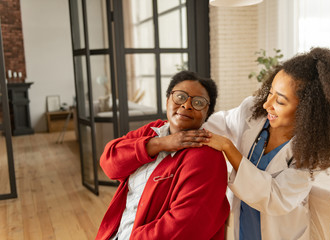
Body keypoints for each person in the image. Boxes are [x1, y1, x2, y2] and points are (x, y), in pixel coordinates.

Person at [199, 47, 330, 239]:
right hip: (241, 228)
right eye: (270, 93)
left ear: (307, 110)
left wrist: (228, 148)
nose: (267, 104)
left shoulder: (314, 153)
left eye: (281, 101)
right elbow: (216, 126)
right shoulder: (253, 110)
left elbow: (276, 198)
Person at [95, 71, 230, 240]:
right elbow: (110, 163)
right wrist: (162, 143)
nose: (187, 105)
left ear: (207, 113)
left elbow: (184, 229)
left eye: (198, 102)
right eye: (180, 97)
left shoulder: (206, 156)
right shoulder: (153, 130)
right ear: (168, 101)